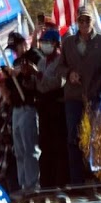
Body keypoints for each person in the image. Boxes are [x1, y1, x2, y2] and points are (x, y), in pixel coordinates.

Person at [60, 6, 101, 185]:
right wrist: (69, 74)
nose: (83, 24)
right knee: (73, 139)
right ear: (77, 22)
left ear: (92, 22)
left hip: (94, 97)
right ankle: (77, 181)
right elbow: (60, 67)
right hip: (73, 97)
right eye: (80, 20)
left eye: (87, 20)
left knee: (95, 138)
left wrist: (100, 83)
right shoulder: (68, 43)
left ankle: (96, 178)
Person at [4, 33, 42, 195]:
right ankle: (23, 183)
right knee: (19, 149)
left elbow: (38, 72)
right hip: (17, 108)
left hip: (28, 106)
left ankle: (33, 185)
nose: (15, 52)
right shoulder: (14, 62)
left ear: (23, 44)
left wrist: (19, 72)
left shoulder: (34, 55)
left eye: (16, 47)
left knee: (29, 148)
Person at [34, 28, 68, 187]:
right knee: (45, 146)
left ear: (55, 44)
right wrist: (31, 76)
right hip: (44, 107)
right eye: (43, 42)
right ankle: (46, 184)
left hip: (57, 106)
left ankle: (60, 183)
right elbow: (38, 86)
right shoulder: (41, 62)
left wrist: (41, 76)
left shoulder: (61, 60)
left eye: (48, 42)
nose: (45, 45)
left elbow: (59, 81)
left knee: (58, 147)